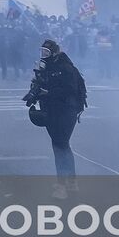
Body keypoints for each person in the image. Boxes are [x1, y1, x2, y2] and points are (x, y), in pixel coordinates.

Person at [23, 39, 87, 200]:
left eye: (47, 52)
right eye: (42, 51)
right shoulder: (45, 67)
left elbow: (69, 91)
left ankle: (61, 186)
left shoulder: (66, 68)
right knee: (61, 146)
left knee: (60, 146)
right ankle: (71, 181)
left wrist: (47, 92)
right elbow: (38, 83)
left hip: (66, 110)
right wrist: (33, 93)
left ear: (54, 52)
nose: (44, 55)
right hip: (50, 109)